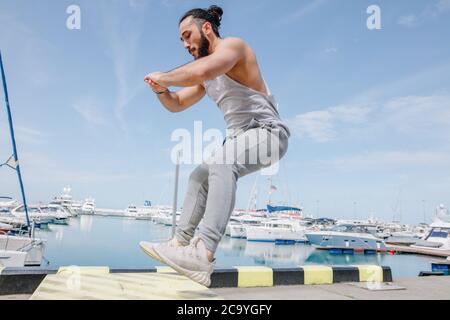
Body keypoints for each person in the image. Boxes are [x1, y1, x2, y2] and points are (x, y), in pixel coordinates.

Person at [140, 5, 290, 287]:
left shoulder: (234, 47)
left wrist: (165, 76)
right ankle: (179, 244)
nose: (186, 44)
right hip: (239, 140)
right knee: (199, 176)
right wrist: (161, 90)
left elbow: (205, 69)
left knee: (223, 163)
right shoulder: (205, 78)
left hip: (269, 134)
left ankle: (204, 252)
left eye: (188, 36)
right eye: (182, 40)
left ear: (206, 28)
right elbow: (177, 104)